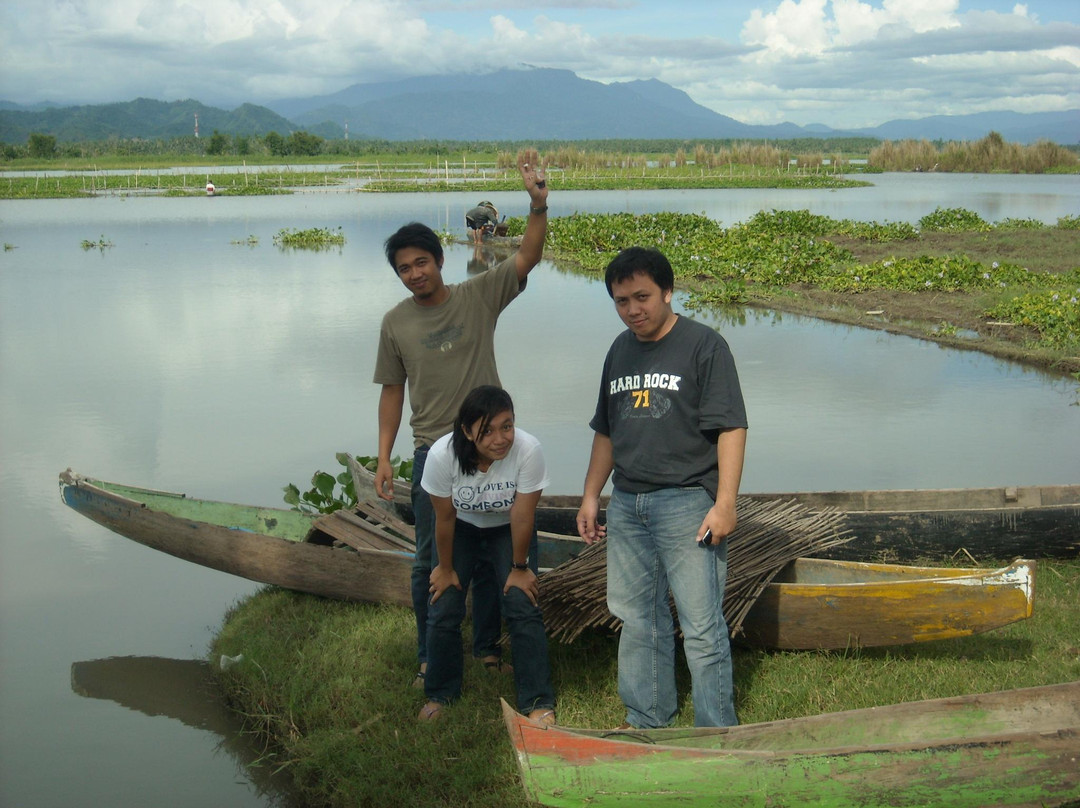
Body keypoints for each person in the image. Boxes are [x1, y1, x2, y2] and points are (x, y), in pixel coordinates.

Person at [373, 150, 549, 689]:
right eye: (403, 268)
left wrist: (538, 205)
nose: (414, 274)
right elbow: (391, 392)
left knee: (498, 552)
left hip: (491, 444)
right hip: (435, 451)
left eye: (420, 262)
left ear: (439, 260)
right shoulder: (395, 323)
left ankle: (488, 647)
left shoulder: (478, 296)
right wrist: (383, 456)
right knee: (431, 558)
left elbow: (526, 258)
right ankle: (431, 652)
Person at [575, 246, 748, 729]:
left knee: (701, 626)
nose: (633, 309)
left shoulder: (704, 345)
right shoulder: (619, 349)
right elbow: (607, 430)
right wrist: (592, 494)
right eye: (621, 300)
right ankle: (647, 718)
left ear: (668, 291)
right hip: (628, 503)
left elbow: (731, 428)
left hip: (688, 502)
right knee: (637, 619)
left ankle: (716, 731)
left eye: (642, 297)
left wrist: (725, 503)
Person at [418, 385, 556, 723]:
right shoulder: (441, 456)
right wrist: (446, 568)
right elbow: (445, 516)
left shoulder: (529, 450)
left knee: (522, 603)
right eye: (488, 430)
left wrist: (519, 567)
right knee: (445, 601)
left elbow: (522, 516)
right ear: (466, 431)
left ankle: (537, 701)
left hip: (507, 529)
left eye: (506, 426)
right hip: (461, 527)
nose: (500, 439)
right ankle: (440, 693)